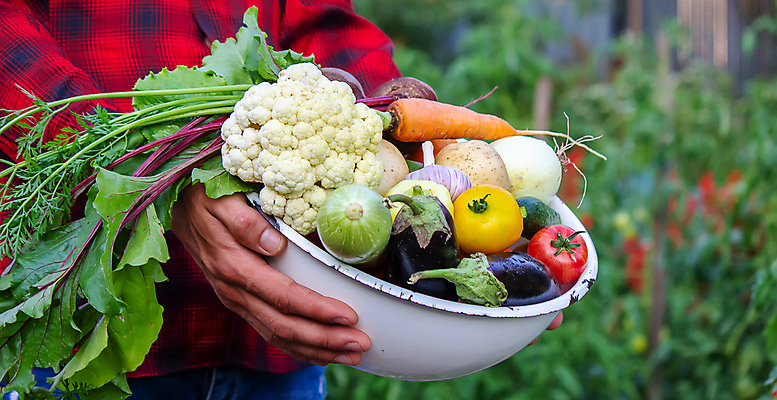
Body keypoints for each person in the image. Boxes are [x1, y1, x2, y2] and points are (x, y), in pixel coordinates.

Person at [0, 1, 562, 398]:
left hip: (278, 352)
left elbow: (318, 21)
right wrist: (156, 172)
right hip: (88, 321)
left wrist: (394, 113)